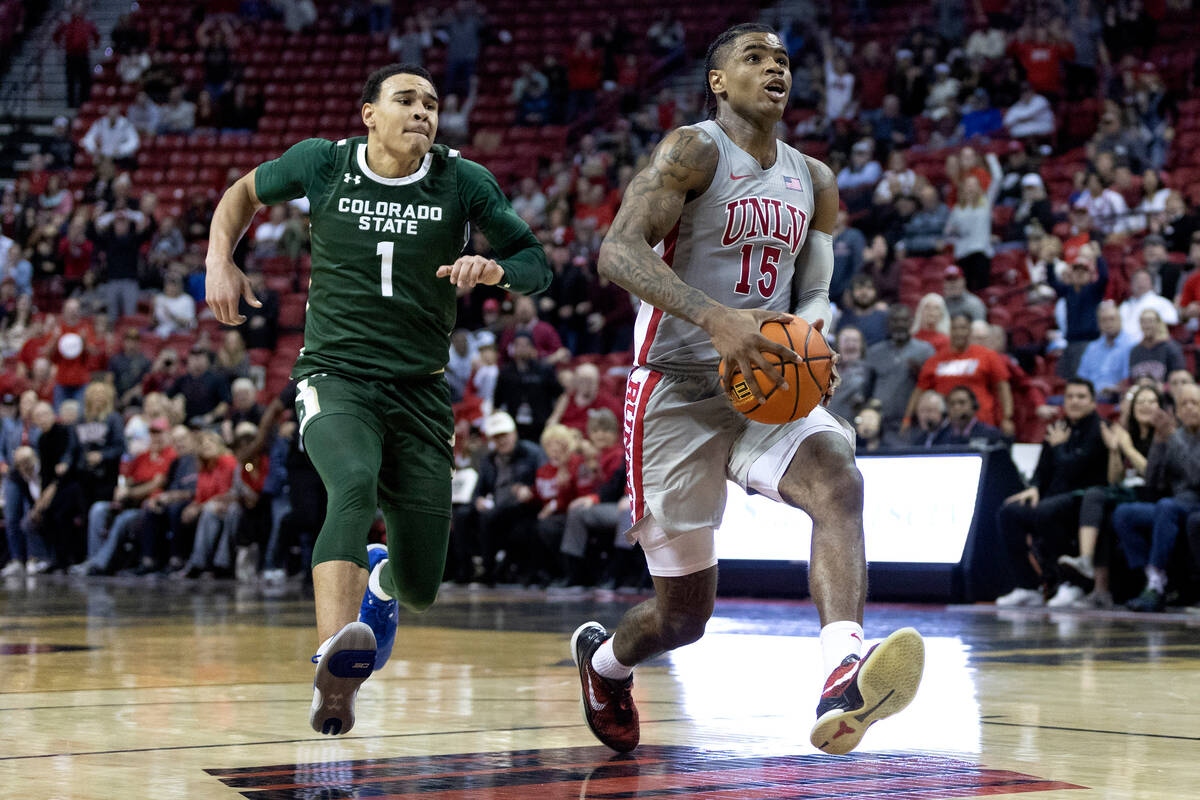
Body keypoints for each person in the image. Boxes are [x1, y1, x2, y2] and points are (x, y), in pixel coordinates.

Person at [568, 24, 924, 759]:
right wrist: (713, 317)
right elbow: (617, 251)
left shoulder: (814, 179)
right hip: (674, 388)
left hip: (764, 379)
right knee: (684, 619)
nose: (774, 70)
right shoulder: (692, 150)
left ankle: (842, 670)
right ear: (719, 82)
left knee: (837, 478)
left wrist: (812, 334)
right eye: (754, 59)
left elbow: (817, 287)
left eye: (784, 61)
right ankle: (605, 665)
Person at [204, 62, 550, 736]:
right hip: (335, 375)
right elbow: (240, 194)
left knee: (422, 584)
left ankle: (383, 582)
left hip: (421, 390)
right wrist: (220, 259)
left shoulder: (464, 180)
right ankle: (334, 667)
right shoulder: (323, 164)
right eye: (406, 99)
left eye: (432, 102)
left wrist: (498, 268)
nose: (422, 111)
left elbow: (536, 261)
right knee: (353, 487)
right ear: (369, 114)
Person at [995, 379, 1107, 607]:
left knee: (1047, 512)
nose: (1075, 401)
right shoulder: (1058, 427)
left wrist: (1059, 447)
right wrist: (1034, 487)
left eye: (1081, 396)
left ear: (1093, 402)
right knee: (1009, 512)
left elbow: (1075, 468)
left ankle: (1071, 583)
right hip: (1052, 496)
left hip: (1082, 498)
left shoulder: (1099, 429)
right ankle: (1027, 585)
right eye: (1070, 396)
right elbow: (1041, 468)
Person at [1058, 385, 1163, 609]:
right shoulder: (1128, 435)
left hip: (1154, 495)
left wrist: (1126, 447)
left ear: (1161, 407)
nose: (1145, 406)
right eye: (1140, 402)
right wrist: (1115, 450)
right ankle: (1100, 589)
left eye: (1151, 401)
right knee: (1103, 511)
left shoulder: (1163, 437)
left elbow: (1151, 474)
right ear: (1132, 408)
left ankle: (1087, 563)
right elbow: (1114, 478)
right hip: (1130, 493)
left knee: (1097, 496)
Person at [1111, 383, 1200, 612]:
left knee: (1166, 506)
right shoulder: (1174, 434)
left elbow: (1195, 476)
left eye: (1195, 403)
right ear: (1177, 411)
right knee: (1125, 514)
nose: (1189, 408)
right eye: (1184, 404)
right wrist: (1159, 444)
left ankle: (1157, 583)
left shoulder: (1176, 436)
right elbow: (1152, 481)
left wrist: (1172, 438)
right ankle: (1151, 579)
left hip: (1195, 503)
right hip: (1175, 505)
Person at [904, 314, 1014, 436]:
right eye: (955, 328)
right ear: (950, 331)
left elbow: (1003, 388)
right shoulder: (936, 359)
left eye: (963, 328)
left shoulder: (987, 355)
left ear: (970, 331)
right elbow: (920, 390)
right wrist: (907, 418)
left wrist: (1007, 417)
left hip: (981, 422)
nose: (959, 332)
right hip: (945, 427)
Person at [865, 305, 934, 433]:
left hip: (912, 423)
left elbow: (932, 386)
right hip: (880, 424)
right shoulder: (874, 352)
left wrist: (919, 373)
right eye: (894, 320)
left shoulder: (925, 350)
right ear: (887, 324)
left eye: (903, 320)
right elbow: (867, 388)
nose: (899, 324)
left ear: (911, 322)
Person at [1076, 301, 1136, 403]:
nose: (1108, 324)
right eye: (1104, 320)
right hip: (1089, 396)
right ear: (1099, 324)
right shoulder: (1092, 347)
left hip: (1114, 397)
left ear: (1120, 320)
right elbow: (1081, 377)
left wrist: (1114, 389)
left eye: (1112, 319)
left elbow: (1128, 380)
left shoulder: (1131, 345)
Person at [923, 386, 1007, 448]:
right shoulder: (940, 437)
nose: (957, 407)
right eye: (952, 404)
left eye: (962, 402)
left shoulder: (991, 434)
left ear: (974, 406)